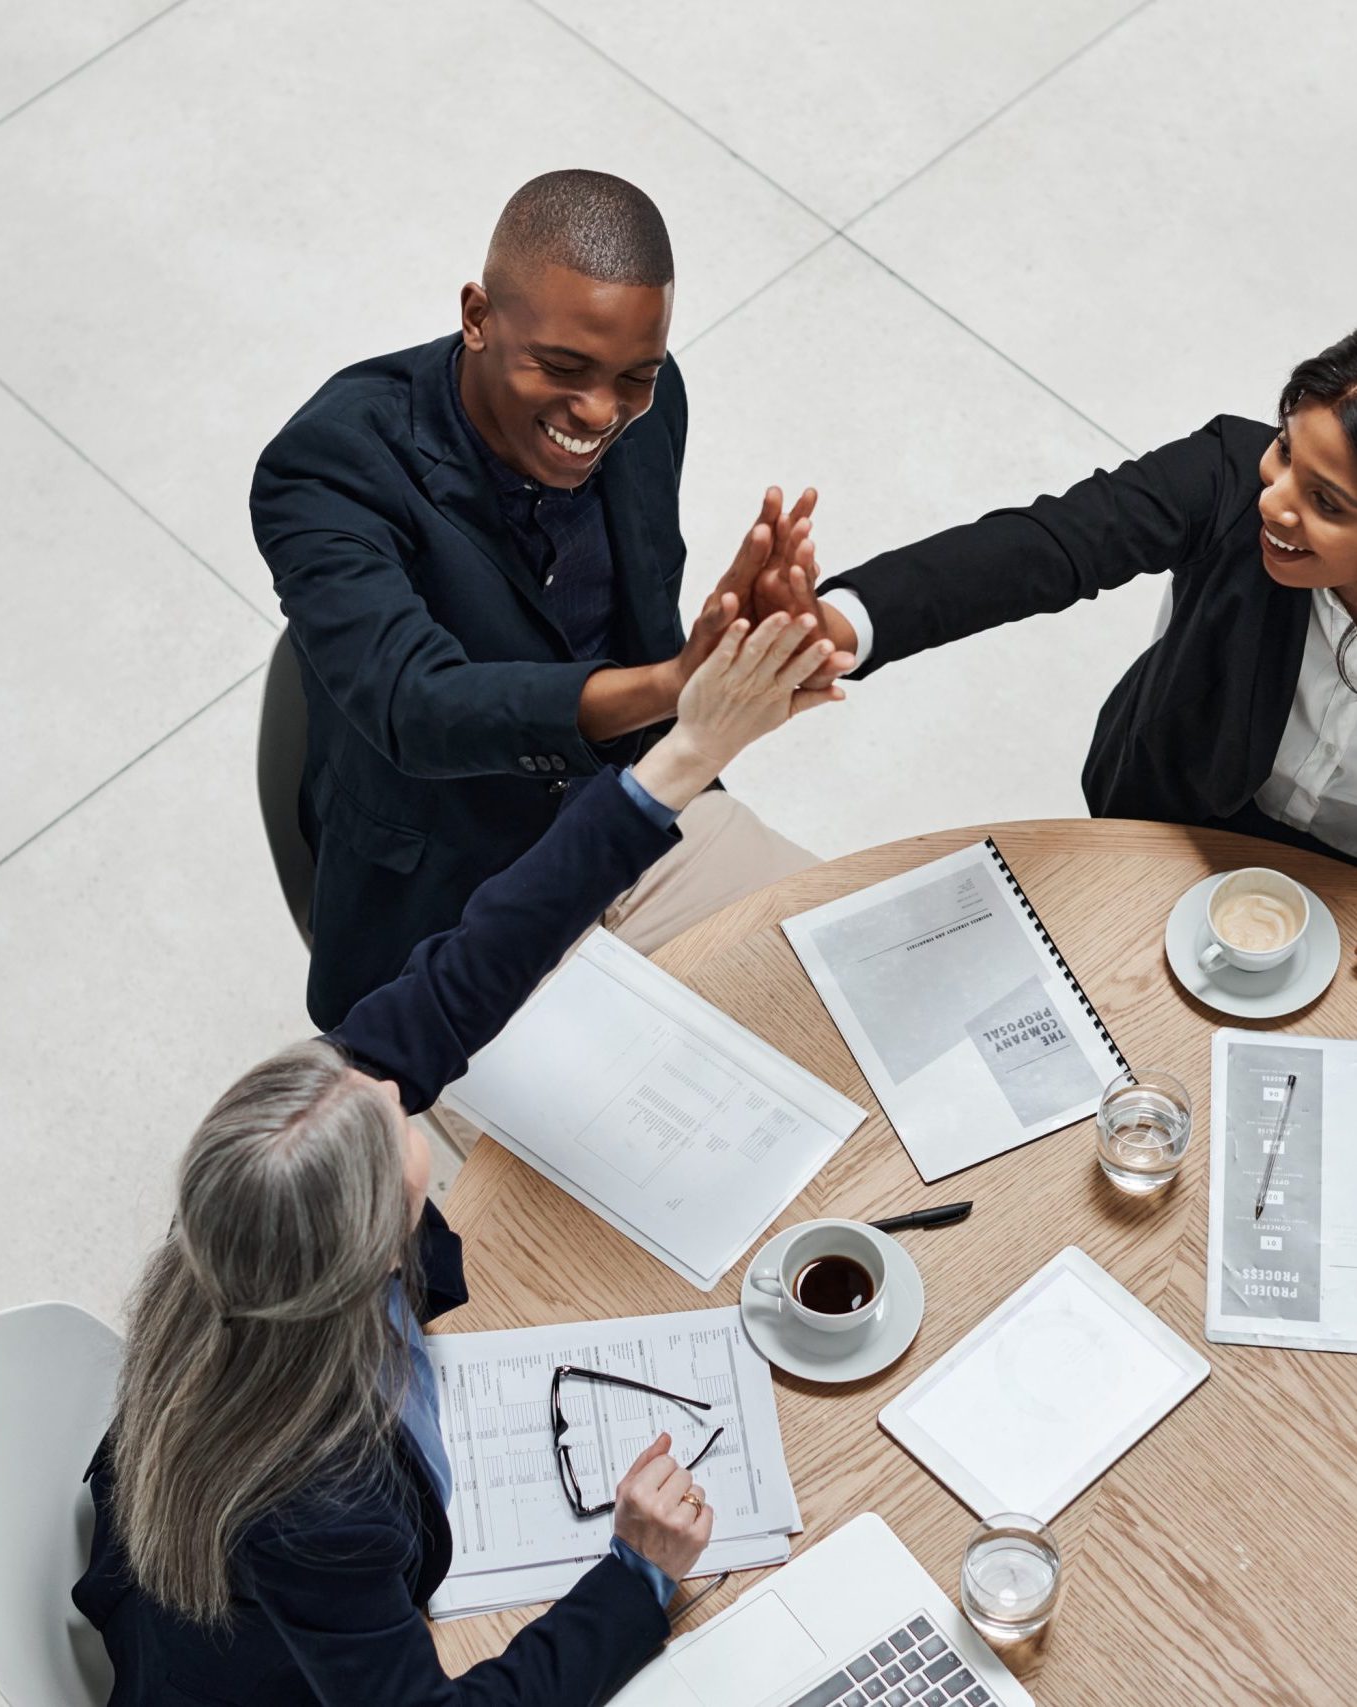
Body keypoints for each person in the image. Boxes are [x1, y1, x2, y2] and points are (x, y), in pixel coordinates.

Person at [73, 613, 840, 1705]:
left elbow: (488, 951)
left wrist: (688, 754)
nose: (393, 1082)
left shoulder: (269, 1207)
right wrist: (633, 1576)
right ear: (371, 1249)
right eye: (393, 1127)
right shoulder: (323, 1505)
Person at [252, 168, 851, 1026]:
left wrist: (746, 651)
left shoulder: (652, 403)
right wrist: (675, 684)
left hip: (639, 820)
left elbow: (629, 616)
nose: (600, 411)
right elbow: (415, 703)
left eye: (633, 375)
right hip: (451, 908)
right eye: (562, 366)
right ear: (477, 317)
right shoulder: (330, 465)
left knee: (863, 991)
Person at [767, 329, 1357, 863]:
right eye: (1283, 448)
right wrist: (840, 622)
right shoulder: (1229, 478)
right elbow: (1047, 545)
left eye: (1326, 502)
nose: (1273, 502)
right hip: (1178, 813)